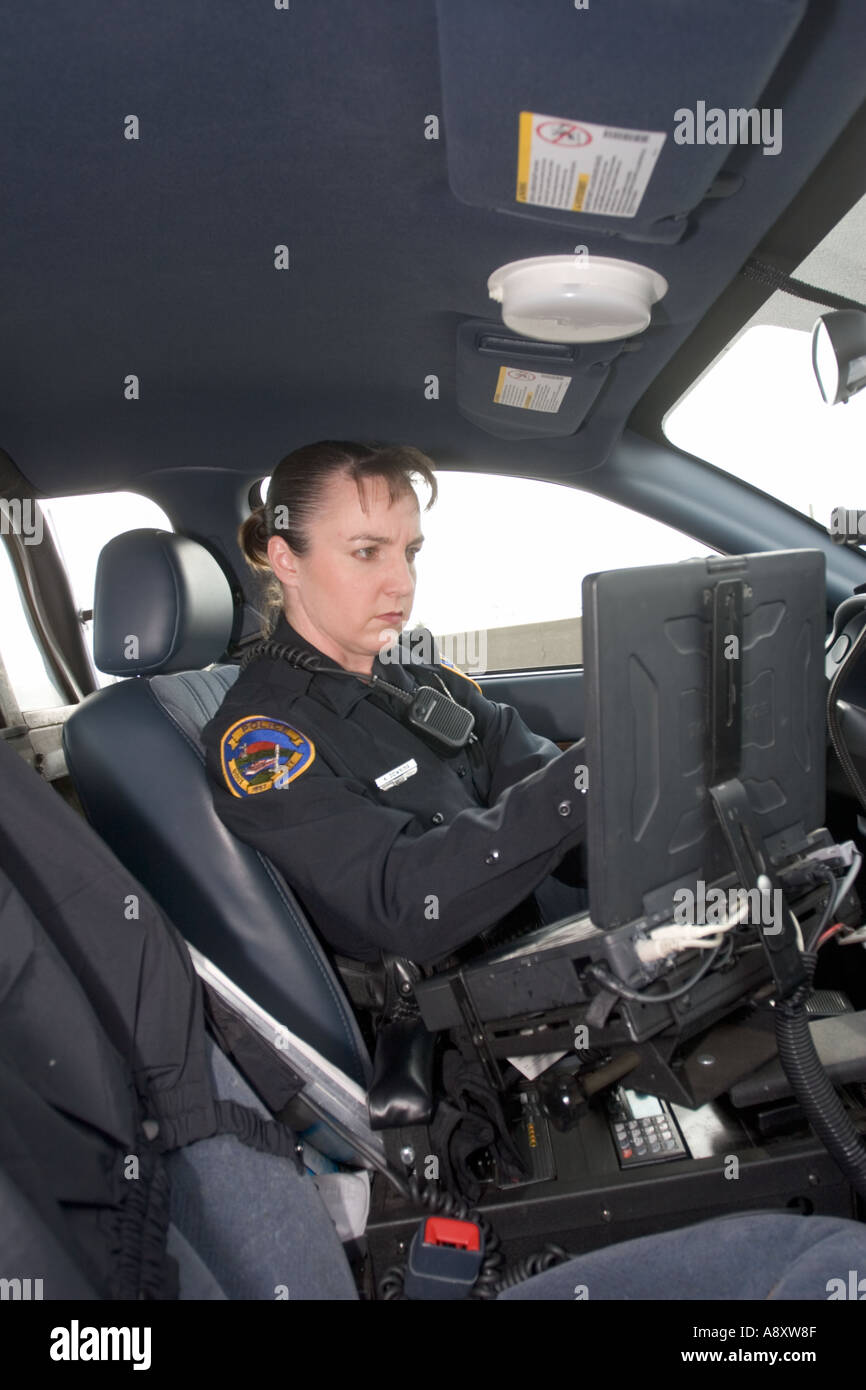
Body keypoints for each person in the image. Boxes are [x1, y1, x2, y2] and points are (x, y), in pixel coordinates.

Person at [202, 440, 588, 967]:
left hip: (532, 947)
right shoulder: (262, 739)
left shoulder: (422, 675)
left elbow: (535, 772)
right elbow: (403, 903)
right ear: (287, 560)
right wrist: (588, 778)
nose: (402, 584)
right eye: (367, 552)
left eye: (410, 553)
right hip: (457, 1018)